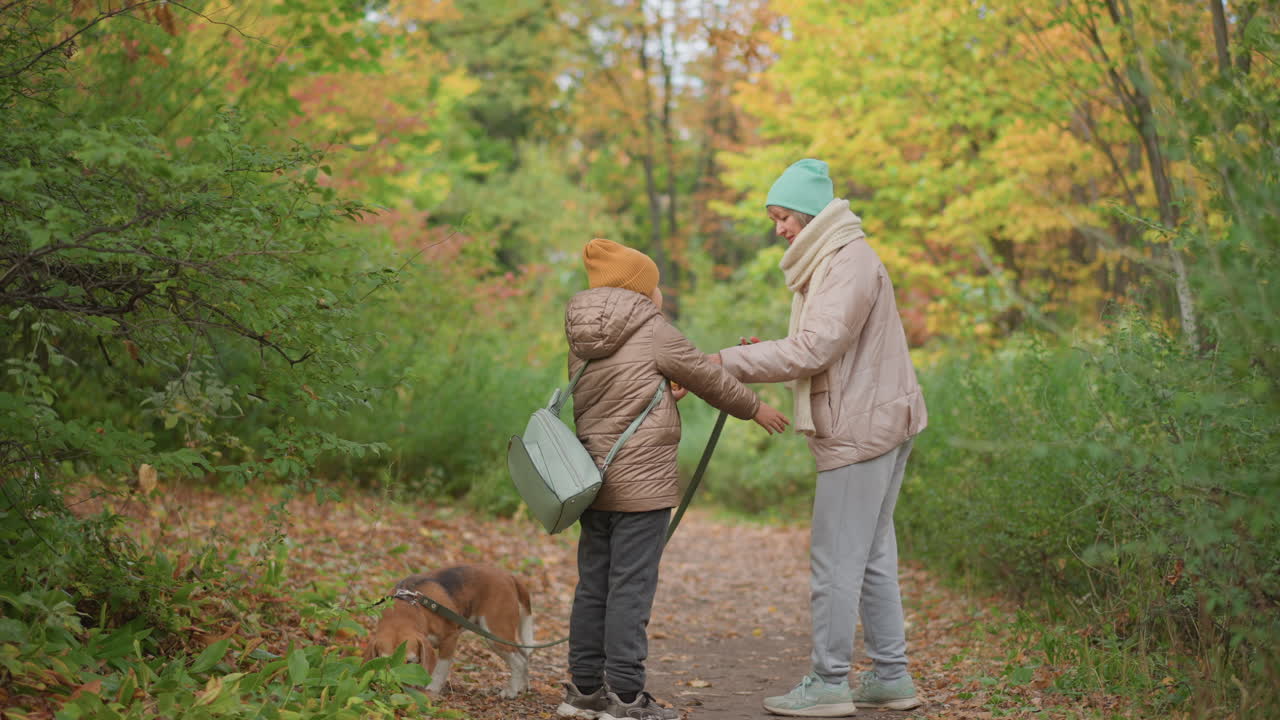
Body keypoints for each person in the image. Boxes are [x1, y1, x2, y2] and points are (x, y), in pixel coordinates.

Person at [709, 159, 928, 717]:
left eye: (783, 217)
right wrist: (764, 351)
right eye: (774, 219)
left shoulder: (848, 262)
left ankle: (829, 683)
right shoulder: (837, 258)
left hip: (860, 428)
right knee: (872, 554)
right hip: (874, 418)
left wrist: (724, 362)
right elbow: (821, 342)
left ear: (809, 213)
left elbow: (814, 349)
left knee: (835, 559)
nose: (778, 229)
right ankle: (891, 676)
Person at [556, 238, 791, 720]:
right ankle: (625, 698)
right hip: (641, 487)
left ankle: (583, 692)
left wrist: (660, 394)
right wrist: (755, 408)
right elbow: (709, 378)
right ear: (640, 289)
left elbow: (614, 398)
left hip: (591, 483)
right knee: (630, 589)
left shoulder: (582, 334)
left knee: (593, 585)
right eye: (654, 284)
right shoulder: (652, 327)